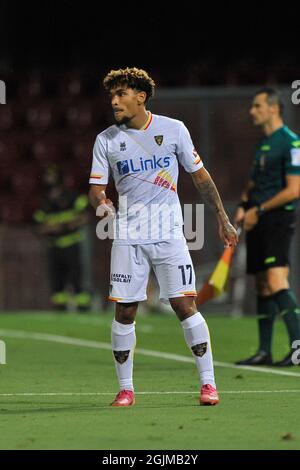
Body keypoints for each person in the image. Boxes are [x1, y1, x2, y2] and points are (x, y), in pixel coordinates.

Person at [89, 67, 238, 406]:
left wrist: (222, 218)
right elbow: (96, 188)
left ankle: (209, 384)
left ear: (140, 96)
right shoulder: (106, 140)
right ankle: (126, 389)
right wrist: (103, 203)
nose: (114, 101)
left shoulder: (174, 130)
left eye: (121, 94)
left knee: (185, 304)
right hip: (128, 235)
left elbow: (201, 177)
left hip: (169, 233)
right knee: (125, 311)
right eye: (112, 96)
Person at [234, 87, 300, 367]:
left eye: (258, 105)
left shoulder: (291, 143)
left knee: (275, 280)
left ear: (274, 108)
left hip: (276, 218)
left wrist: (258, 210)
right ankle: (264, 350)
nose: (252, 111)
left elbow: (294, 190)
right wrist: (243, 205)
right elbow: (253, 184)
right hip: (257, 219)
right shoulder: (261, 145)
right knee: (262, 285)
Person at [33, 165, 92, 311]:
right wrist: (54, 227)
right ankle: (60, 307)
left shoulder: (73, 197)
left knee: (78, 277)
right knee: (57, 280)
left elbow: (87, 215)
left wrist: (68, 224)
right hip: (54, 246)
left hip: (73, 244)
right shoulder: (44, 203)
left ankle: (83, 306)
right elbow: (37, 226)